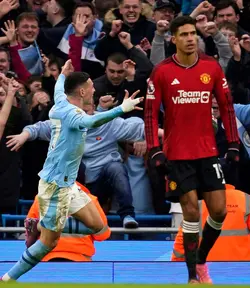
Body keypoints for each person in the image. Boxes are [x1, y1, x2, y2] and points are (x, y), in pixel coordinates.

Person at [1, 59, 143, 282]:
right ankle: (8, 279)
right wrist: (121, 109)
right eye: (92, 87)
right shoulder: (73, 115)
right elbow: (94, 121)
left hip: (68, 184)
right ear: (83, 91)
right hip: (55, 186)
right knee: (49, 243)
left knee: (99, 227)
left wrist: (62, 75)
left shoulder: (61, 100)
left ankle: (40, 224)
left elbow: (58, 88)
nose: (95, 89)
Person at [144, 16, 240, 284]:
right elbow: (150, 114)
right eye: (183, 34)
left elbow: (227, 107)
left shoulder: (211, 67)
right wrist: (154, 150)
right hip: (177, 154)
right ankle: (192, 277)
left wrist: (233, 142)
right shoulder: (161, 71)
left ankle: (201, 259)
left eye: (192, 34)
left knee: (219, 211)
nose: (189, 39)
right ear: (173, 39)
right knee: (191, 213)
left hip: (207, 151)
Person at [171, 184, 250, 262]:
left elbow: (182, 244)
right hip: (244, 273)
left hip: (206, 273)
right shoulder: (249, 202)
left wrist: (172, 270)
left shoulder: (198, 204)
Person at [25, 181, 111, 262]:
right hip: (81, 260)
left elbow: (30, 229)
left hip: (47, 258)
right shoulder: (91, 200)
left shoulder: (41, 198)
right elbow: (103, 235)